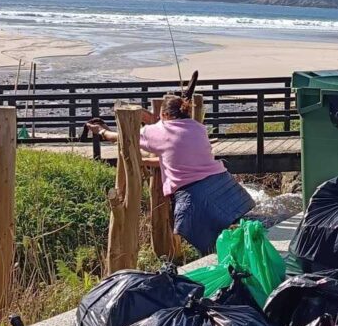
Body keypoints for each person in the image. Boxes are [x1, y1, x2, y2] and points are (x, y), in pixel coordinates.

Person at [86, 93, 254, 254]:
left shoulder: (160, 130)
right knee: (231, 234)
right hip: (222, 184)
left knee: (209, 245)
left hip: (194, 195)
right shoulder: (198, 128)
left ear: (165, 114)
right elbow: (175, 158)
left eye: (160, 117)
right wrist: (144, 161)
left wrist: (100, 130)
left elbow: (123, 137)